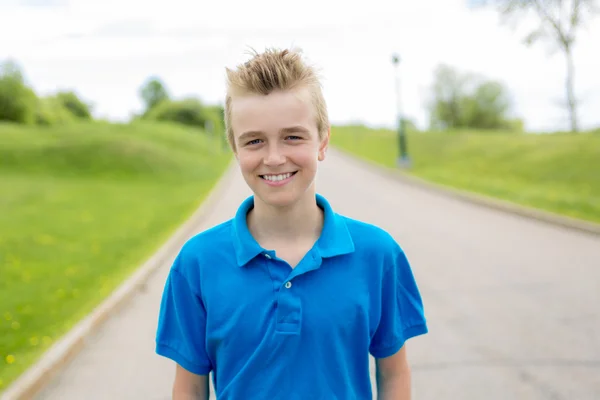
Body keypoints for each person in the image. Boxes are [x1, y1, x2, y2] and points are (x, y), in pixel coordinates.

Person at [155, 47, 428, 399]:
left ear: (323, 141)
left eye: (293, 137)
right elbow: (190, 388)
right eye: (254, 141)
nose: (274, 157)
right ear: (235, 150)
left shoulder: (378, 254)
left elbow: (393, 375)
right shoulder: (197, 262)